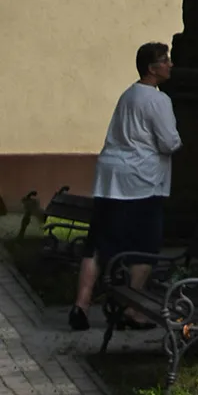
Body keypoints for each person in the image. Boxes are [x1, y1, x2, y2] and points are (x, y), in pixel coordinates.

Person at [69, 43, 181, 330]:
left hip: (110, 178)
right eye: (164, 60)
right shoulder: (158, 100)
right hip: (141, 181)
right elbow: (169, 142)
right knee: (144, 246)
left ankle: (80, 305)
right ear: (151, 68)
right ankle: (133, 309)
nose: (170, 64)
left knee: (97, 242)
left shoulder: (127, 95)